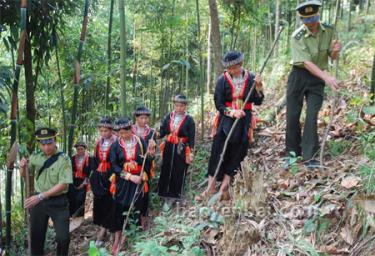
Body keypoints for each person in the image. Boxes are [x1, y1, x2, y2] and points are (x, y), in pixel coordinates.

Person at [196, 51, 264, 202]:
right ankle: (210, 187)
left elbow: (258, 101)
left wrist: (258, 86)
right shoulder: (222, 80)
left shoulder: (252, 78)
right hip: (226, 120)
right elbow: (218, 103)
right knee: (218, 151)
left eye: (234, 67)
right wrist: (231, 112)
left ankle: (224, 187)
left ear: (241, 65)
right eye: (229, 69)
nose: (232, 71)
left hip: (244, 121)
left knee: (237, 152)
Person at [285, 0, 341, 168]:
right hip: (299, 76)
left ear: (318, 15)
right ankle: (292, 154)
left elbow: (332, 56)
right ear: (302, 19)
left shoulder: (329, 30)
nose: (311, 23)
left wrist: (336, 51)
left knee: (312, 115)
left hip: (317, 80)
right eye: (306, 20)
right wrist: (327, 77)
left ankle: (310, 156)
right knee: (293, 115)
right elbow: (307, 63)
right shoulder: (297, 36)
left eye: (314, 18)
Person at [20, 128, 72, 256]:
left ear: (55, 141)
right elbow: (25, 175)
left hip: (58, 201)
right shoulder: (35, 157)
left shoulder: (64, 159)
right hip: (39, 202)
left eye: (49, 143)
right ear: (39, 144)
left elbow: (63, 184)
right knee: (36, 237)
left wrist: (41, 196)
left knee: (63, 238)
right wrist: (22, 166)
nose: (46, 147)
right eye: (43, 144)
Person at [109, 117, 155, 255]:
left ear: (131, 129)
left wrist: (151, 152)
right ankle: (117, 238)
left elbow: (147, 159)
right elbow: (114, 166)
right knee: (119, 207)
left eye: (126, 132)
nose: (124, 135)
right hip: (124, 181)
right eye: (121, 133)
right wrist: (129, 176)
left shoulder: (140, 141)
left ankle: (142, 230)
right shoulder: (115, 146)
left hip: (140, 179)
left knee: (140, 204)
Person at [158, 95, 195, 201]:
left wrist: (191, 152)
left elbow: (192, 138)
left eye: (182, 106)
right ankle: (163, 193)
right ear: (174, 105)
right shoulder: (168, 117)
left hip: (181, 147)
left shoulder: (189, 120)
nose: (179, 108)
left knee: (179, 169)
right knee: (166, 167)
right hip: (168, 146)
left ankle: (176, 194)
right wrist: (154, 135)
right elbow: (162, 131)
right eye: (177, 105)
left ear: (185, 106)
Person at [90, 117, 117, 246]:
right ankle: (102, 227)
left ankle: (108, 230)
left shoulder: (117, 141)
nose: (104, 133)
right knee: (100, 202)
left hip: (112, 175)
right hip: (100, 175)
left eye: (106, 130)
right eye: (101, 130)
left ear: (111, 130)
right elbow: (95, 160)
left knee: (111, 202)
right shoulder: (98, 142)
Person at [132, 106, 157, 229]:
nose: (144, 120)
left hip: (145, 166)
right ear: (136, 118)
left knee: (144, 192)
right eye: (141, 118)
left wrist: (152, 152)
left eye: (146, 118)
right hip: (130, 166)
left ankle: (143, 217)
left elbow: (153, 153)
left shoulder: (152, 132)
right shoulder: (129, 130)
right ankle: (131, 219)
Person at [68, 141, 90, 218]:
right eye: (78, 149)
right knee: (72, 198)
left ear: (85, 149)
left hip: (84, 181)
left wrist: (84, 183)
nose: (80, 151)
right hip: (73, 181)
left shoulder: (89, 159)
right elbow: (69, 170)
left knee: (80, 199)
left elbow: (91, 173)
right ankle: (71, 216)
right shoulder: (72, 158)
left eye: (81, 149)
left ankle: (79, 217)